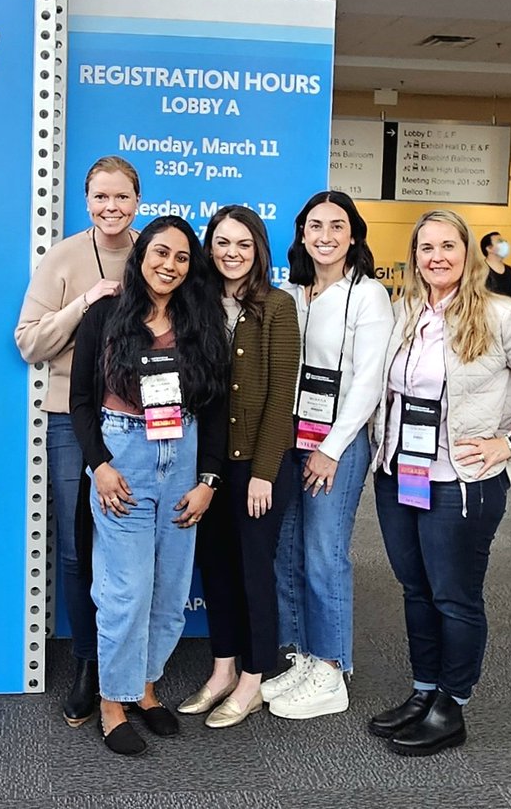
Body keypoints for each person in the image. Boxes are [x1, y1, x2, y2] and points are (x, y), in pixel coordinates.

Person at [368, 209, 511, 755]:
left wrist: (510, 442)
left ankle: (451, 706)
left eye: (447, 246)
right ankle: (424, 690)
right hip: (399, 473)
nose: (436, 256)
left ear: (468, 253)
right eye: (426, 247)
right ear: (414, 256)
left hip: (462, 481)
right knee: (415, 590)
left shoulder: (504, 316)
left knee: (454, 597)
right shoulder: (404, 310)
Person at [70, 216, 228, 756]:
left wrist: (208, 480)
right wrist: (100, 465)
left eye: (182, 257)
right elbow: (81, 403)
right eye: (160, 253)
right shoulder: (105, 316)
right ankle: (112, 704)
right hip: (125, 458)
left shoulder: (199, 320)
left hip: (182, 457)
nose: (170, 265)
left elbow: (215, 407)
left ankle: (144, 689)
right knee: (125, 591)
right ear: (140, 257)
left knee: (168, 592)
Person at [15, 155, 140, 728]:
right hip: (71, 418)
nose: (111, 208)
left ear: (137, 201)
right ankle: (88, 663)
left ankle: (130, 664)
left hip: (141, 424)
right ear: (85, 200)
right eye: (100, 198)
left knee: (131, 549)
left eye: (121, 198)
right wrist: (84, 303)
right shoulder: (62, 258)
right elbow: (28, 343)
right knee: (75, 547)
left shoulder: (154, 253)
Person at [266, 191, 393, 719]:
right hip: (289, 440)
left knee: (323, 554)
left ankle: (333, 668)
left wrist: (331, 448)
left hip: (335, 447)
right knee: (286, 552)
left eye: (336, 226)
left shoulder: (369, 296)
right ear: (301, 234)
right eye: (314, 225)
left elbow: (368, 382)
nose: (324, 235)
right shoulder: (292, 292)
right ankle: (301, 656)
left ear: (353, 235)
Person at [178, 206, 299, 728]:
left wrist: (265, 472)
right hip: (209, 467)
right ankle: (223, 668)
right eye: (222, 243)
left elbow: (280, 400)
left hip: (257, 467)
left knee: (254, 573)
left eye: (243, 244)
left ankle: (254, 677)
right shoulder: (197, 308)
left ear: (259, 250)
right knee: (218, 571)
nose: (231, 253)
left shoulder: (279, 306)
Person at [479, 231, 511, 299]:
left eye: (505, 241)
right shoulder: (479, 270)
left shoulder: (509, 270)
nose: (505, 244)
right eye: (500, 241)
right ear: (489, 248)